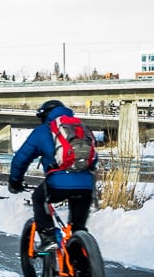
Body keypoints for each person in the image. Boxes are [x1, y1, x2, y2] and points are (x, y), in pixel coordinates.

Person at [8, 100, 98, 252]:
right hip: (86, 186)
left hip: (58, 184)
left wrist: (15, 181)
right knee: (78, 229)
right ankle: (84, 263)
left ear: (44, 115)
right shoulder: (81, 128)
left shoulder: (43, 130)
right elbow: (93, 158)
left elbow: (21, 159)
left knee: (38, 197)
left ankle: (48, 238)